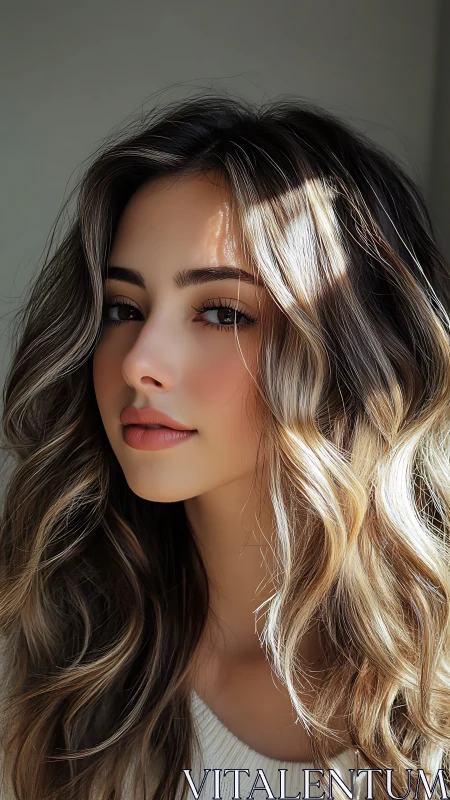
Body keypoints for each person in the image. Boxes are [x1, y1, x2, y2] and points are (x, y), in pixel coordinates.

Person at [0, 91, 449, 800]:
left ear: (350, 354)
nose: (140, 359)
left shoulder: (436, 681)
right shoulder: (47, 655)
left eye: (219, 311)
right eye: (124, 308)